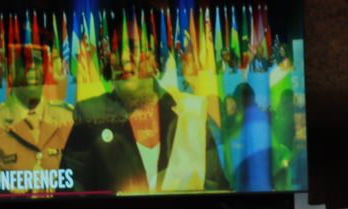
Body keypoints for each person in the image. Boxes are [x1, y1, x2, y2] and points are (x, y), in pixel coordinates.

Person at [66, 51, 228, 194]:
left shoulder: (192, 112)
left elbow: (217, 193)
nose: (124, 58)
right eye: (116, 50)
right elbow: (71, 197)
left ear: (154, 56)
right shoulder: (90, 115)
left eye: (133, 47)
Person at [0, 44, 76, 198]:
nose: (32, 68)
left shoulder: (68, 119)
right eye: (24, 62)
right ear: (10, 70)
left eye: (38, 61)